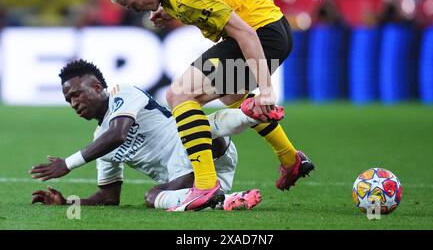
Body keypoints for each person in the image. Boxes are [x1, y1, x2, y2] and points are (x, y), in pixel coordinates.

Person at [106, 0, 314, 210]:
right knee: (231, 96)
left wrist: (267, 90)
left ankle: (205, 185)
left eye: (133, 5)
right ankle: (290, 158)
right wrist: (170, 10)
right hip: (273, 23)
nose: (138, 10)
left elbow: (245, 34)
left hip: (260, 36)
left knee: (179, 94)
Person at [29, 59, 262, 211]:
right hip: (188, 177)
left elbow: (118, 134)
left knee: (198, 123)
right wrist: (67, 202)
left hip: (203, 145)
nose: (73, 103)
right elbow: (109, 197)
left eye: (76, 94)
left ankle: (251, 113)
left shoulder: (123, 93)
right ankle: (228, 200)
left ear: (98, 87)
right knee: (152, 197)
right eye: (68, 99)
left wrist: (68, 164)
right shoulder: (100, 143)